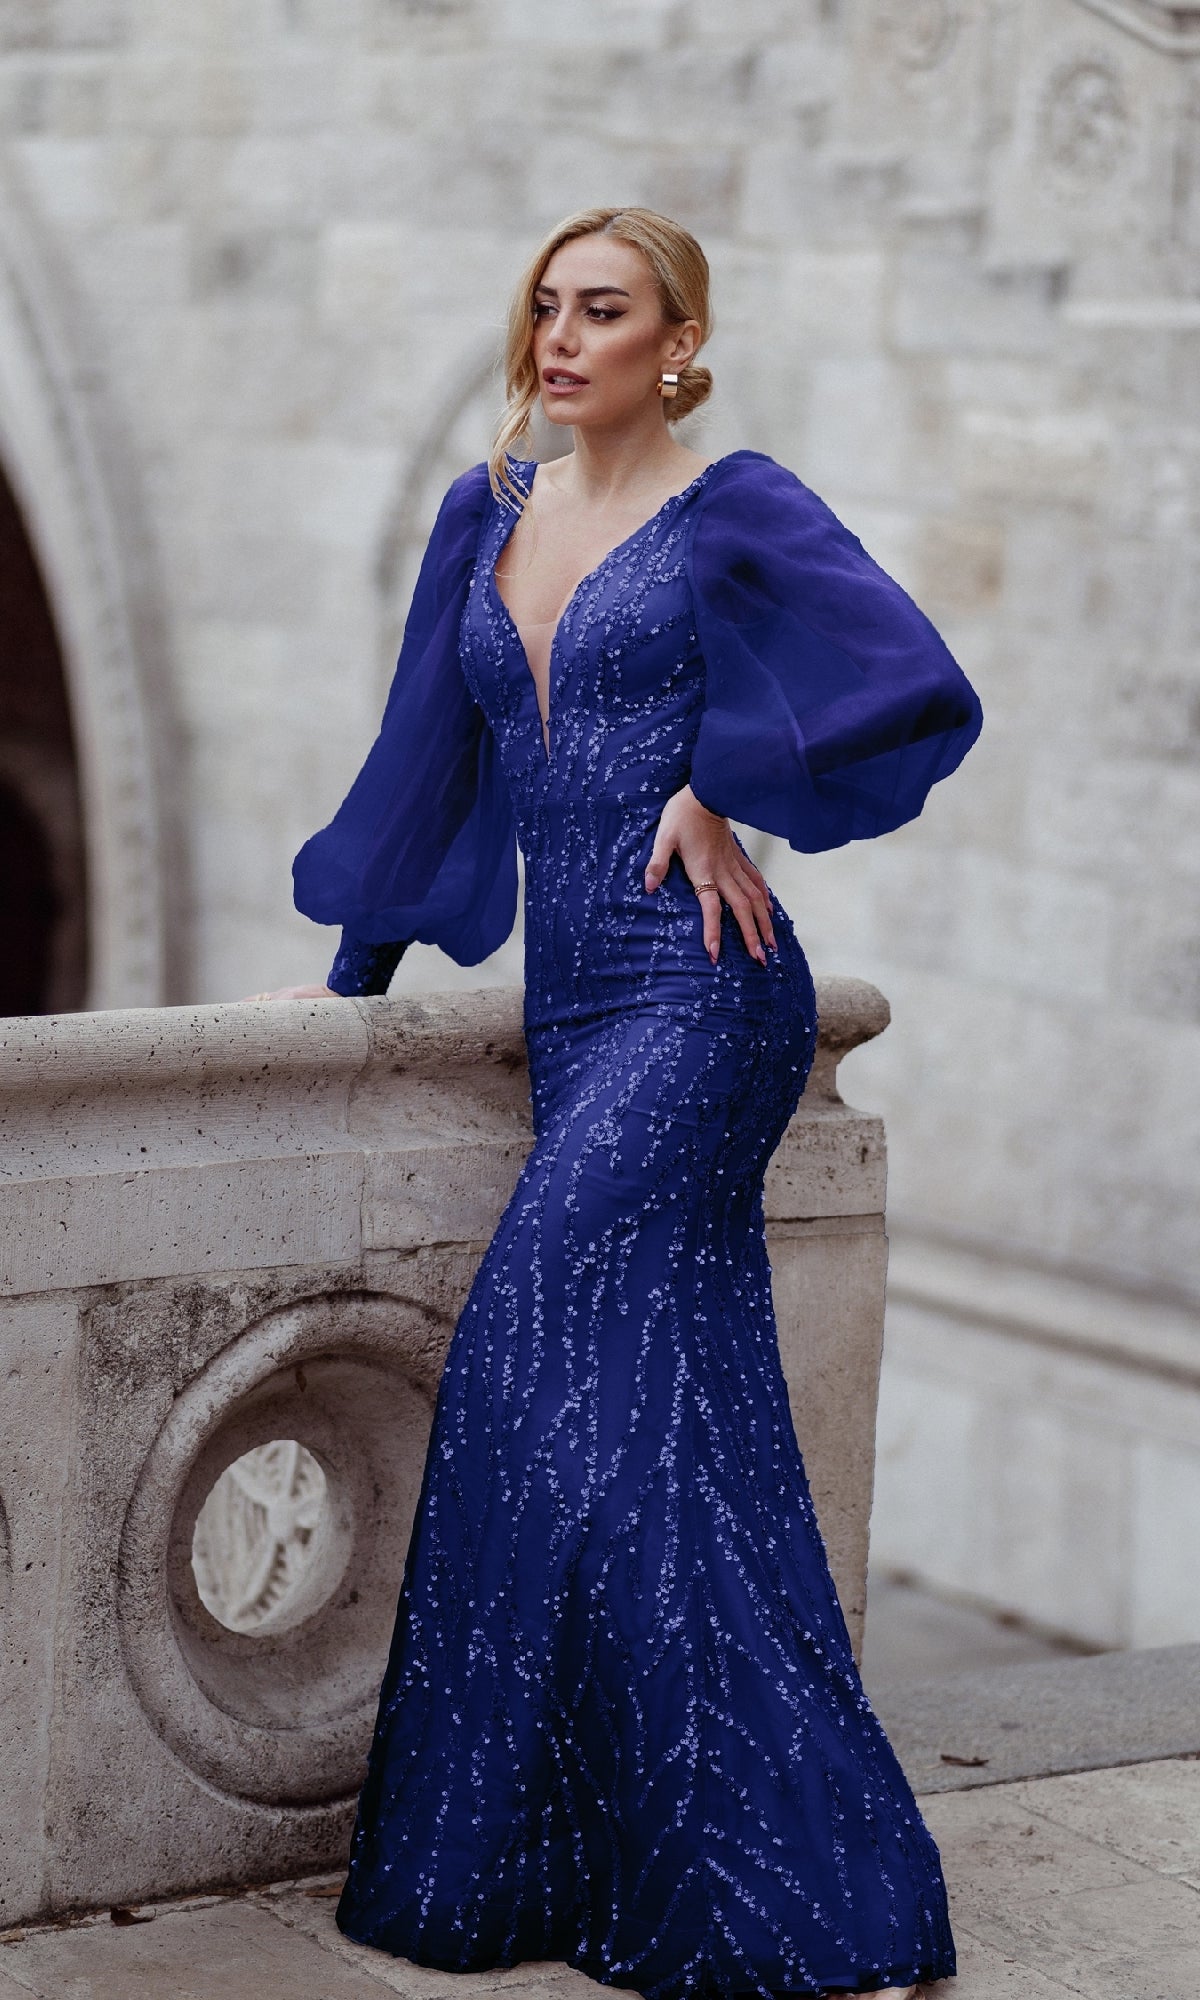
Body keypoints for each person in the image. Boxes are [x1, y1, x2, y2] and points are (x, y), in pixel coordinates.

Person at [267, 207, 983, 2000]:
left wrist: (724, 784)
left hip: (705, 994)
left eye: (604, 309)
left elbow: (910, 680)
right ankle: (614, 1869)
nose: (562, 335)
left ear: (679, 338)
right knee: (682, 1431)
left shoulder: (733, 503)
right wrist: (354, 979)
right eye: (544, 307)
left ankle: (776, 1885)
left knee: (527, 1353)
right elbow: (424, 758)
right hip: (577, 1017)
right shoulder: (483, 518)